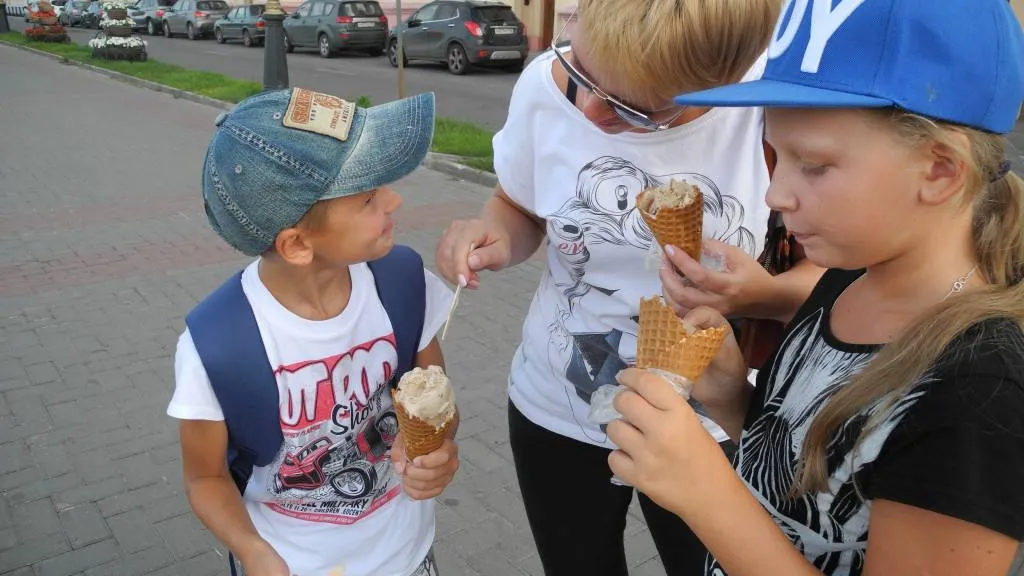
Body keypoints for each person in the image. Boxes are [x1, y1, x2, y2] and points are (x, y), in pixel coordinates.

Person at [607, 0, 1024, 574]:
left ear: (940, 171)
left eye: (815, 165)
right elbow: (813, 473)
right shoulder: (849, 275)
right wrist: (734, 403)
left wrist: (708, 495)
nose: (775, 195)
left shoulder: (980, 391)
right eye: (776, 156)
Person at [434, 0, 824, 574]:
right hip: (556, 407)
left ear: (713, 85)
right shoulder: (544, 87)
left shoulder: (767, 107)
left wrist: (758, 294)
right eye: (584, 76)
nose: (591, 110)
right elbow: (518, 206)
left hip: (712, 422)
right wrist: (493, 233)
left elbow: (838, 280)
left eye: (633, 110)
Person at [168, 88, 460, 576]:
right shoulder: (217, 347)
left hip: (407, 556)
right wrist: (254, 552)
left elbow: (440, 411)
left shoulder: (403, 284)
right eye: (369, 197)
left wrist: (439, 450)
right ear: (298, 245)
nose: (394, 198)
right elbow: (205, 476)